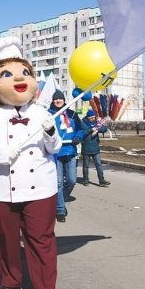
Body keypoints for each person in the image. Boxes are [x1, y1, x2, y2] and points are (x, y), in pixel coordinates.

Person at [0, 36, 64, 289]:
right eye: (8, 74)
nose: (20, 79)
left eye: (25, 73)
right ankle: (10, 279)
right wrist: (4, 153)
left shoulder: (40, 113)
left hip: (40, 188)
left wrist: (50, 132)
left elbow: (54, 147)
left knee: (42, 238)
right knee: (4, 239)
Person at [50, 90, 84, 223]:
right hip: (56, 153)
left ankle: (59, 202)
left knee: (71, 181)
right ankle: (60, 210)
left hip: (70, 151)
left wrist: (77, 137)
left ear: (64, 100)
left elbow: (80, 130)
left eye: (60, 98)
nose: (58, 101)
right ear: (52, 101)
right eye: (55, 99)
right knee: (58, 182)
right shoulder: (49, 115)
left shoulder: (72, 114)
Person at [80, 110, 110, 186]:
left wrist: (97, 129)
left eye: (94, 117)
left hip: (95, 147)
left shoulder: (96, 122)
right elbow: (82, 134)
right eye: (91, 118)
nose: (93, 119)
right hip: (86, 146)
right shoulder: (82, 123)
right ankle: (85, 180)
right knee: (86, 165)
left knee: (99, 164)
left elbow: (104, 129)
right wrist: (91, 130)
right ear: (87, 117)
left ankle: (101, 180)